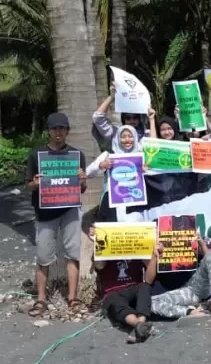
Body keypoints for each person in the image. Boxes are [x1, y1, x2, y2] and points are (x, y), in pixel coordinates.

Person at [26, 112, 88, 318]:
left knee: (73, 254)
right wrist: (35, 183)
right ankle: (41, 299)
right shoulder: (36, 155)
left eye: (62, 128)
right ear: (48, 131)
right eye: (54, 128)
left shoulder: (77, 155)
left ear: (67, 131)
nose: (58, 132)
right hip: (45, 214)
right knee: (43, 257)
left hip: (70, 211)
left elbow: (83, 188)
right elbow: (29, 185)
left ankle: (73, 298)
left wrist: (82, 179)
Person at [90, 225, 157, 343]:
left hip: (134, 288)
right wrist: (97, 242)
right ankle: (139, 324)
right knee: (114, 300)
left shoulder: (137, 244)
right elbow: (99, 265)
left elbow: (149, 280)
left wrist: (154, 255)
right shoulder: (106, 246)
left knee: (145, 287)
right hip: (113, 292)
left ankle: (140, 324)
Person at [151, 233, 211, 322]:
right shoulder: (154, 251)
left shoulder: (188, 241)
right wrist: (155, 256)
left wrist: (201, 243)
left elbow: (209, 259)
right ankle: (191, 312)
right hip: (179, 293)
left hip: (195, 286)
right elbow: (148, 280)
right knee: (151, 302)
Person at [86, 125, 141, 222]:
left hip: (135, 200)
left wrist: (146, 169)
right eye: (123, 137)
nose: (127, 140)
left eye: (130, 136)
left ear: (135, 137)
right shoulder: (109, 155)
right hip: (112, 203)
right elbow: (88, 173)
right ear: (118, 138)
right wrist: (101, 165)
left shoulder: (141, 154)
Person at [92, 83, 150, 149]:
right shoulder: (116, 134)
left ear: (139, 119)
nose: (132, 120)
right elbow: (97, 117)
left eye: (135, 117)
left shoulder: (146, 134)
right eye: (128, 118)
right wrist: (111, 97)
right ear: (123, 119)